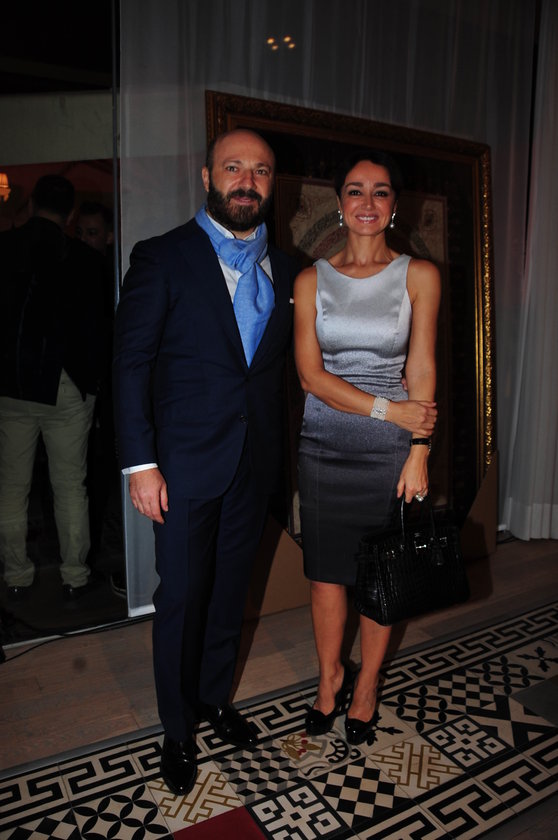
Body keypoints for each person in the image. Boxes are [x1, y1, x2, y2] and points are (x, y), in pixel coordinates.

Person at [112, 129, 295, 795]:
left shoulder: (289, 269)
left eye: (260, 171)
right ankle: (177, 729)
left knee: (229, 593)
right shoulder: (162, 256)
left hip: (254, 463)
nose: (246, 181)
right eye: (233, 167)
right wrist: (140, 464)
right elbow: (130, 364)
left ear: (272, 183)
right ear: (207, 176)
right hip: (183, 465)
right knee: (183, 597)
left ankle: (215, 698)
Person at [294, 150, 441, 745]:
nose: (367, 202)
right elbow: (310, 376)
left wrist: (419, 448)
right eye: (356, 190)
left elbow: (421, 365)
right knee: (326, 575)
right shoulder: (311, 280)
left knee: (383, 572)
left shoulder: (418, 275)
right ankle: (329, 676)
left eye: (380, 191)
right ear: (339, 202)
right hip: (323, 444)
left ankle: (367, 685)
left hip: (389, 452)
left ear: (394, 205)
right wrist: (389, 409)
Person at [0, 175, 106, 603]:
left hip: (12, 381)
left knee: (12, 486)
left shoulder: (4, 248)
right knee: (69, 485)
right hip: (66, 381)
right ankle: (74, 576)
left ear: (30, 205)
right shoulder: (84, 259)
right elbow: (96, 328)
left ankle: (16, 573)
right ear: (71, 214)